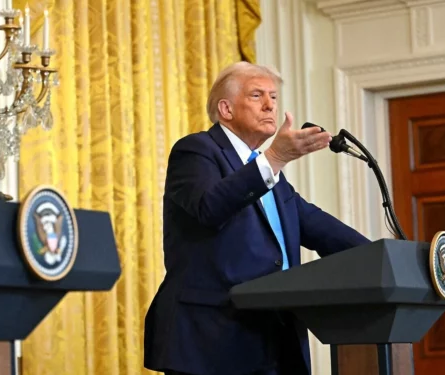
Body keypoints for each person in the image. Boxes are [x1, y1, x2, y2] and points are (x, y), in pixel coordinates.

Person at [143, 62, 371, 375]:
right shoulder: (196, 151)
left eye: (274, 98)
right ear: (226, 109)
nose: (269, 105)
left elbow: (319, 227)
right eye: (256, 96)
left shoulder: (267, 172)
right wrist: (274, 158)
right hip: (212, 342)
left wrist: (381, 258)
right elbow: (210, 207)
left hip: (273, 340)